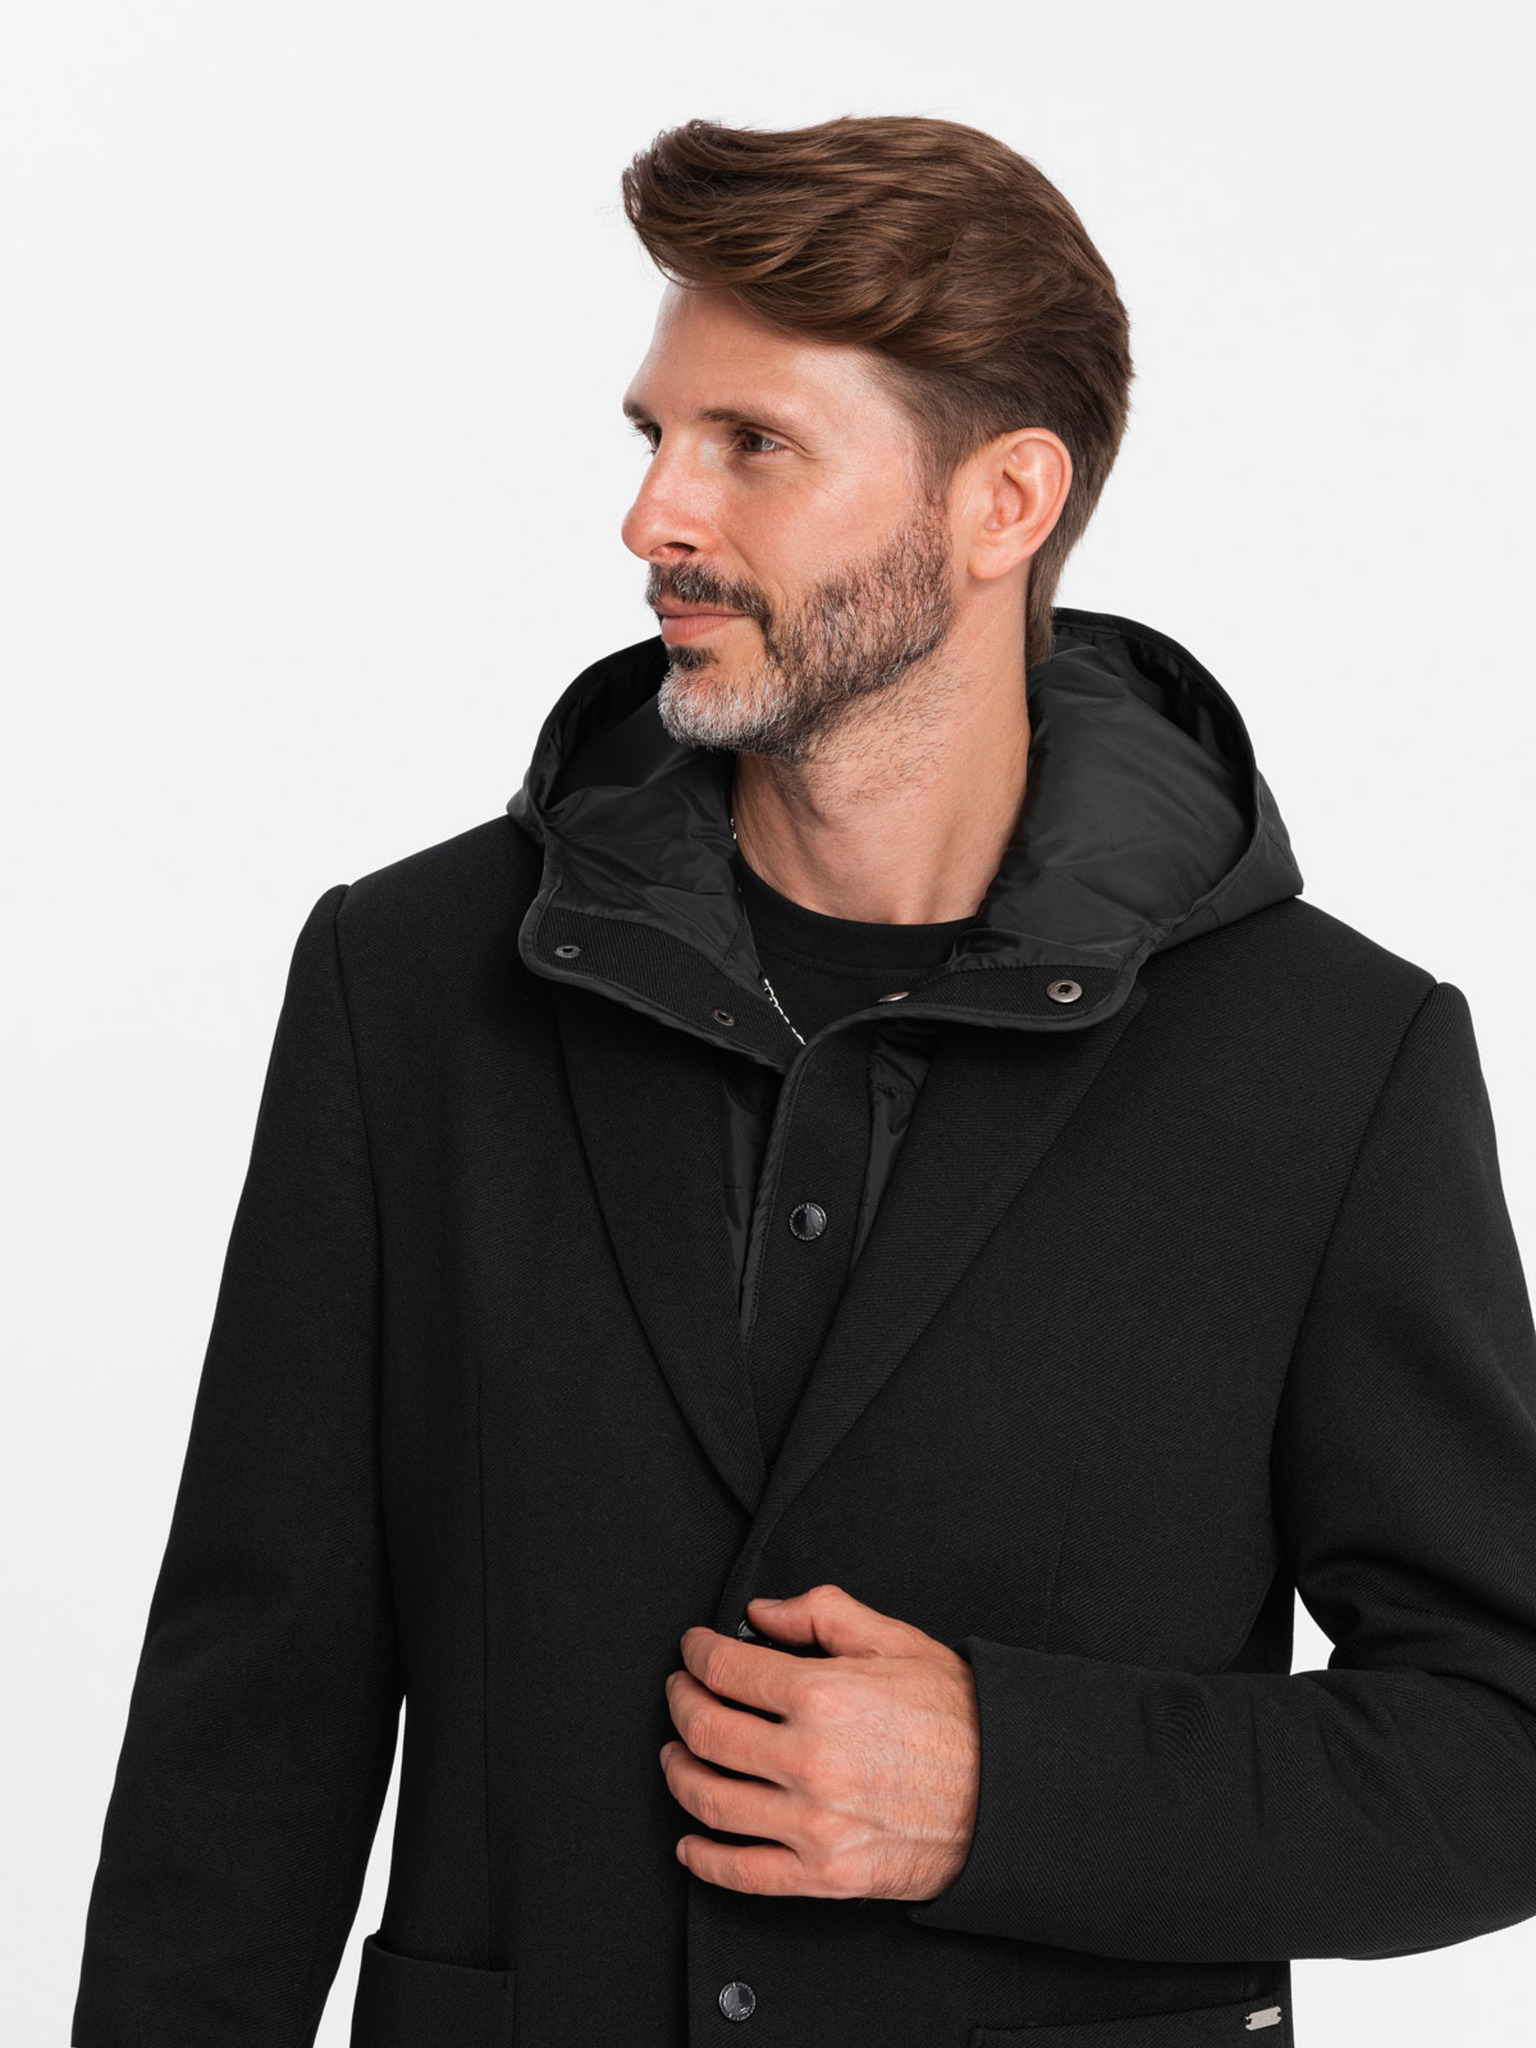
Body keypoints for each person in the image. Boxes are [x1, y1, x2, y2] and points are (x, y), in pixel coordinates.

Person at [72, 115, 1536, 2048]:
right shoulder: (405, 983)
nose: (654, 517)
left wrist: (1009, 1787)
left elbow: (1502, 1741)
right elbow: (244, 1739)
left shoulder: (1332, 1058)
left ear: (1004, 501)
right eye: (653, 435)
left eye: (752, 444)